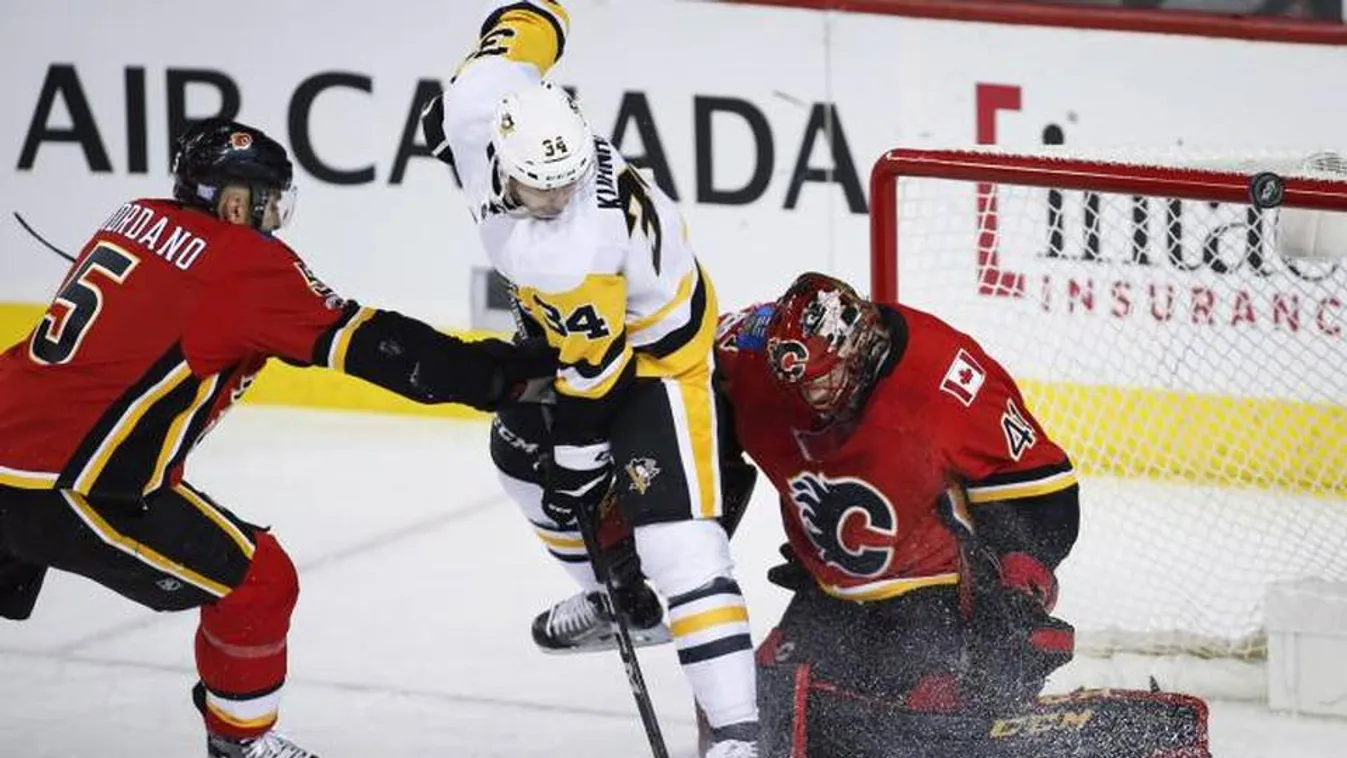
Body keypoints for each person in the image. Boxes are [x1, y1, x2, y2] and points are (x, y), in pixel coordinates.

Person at [0, 118, 552, 758]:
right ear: (235, 203)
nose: (273, 218)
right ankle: (241, 743)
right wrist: (506, 379)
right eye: (267, 201)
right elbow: (383, 350)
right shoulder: (243, 263)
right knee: (258, 583)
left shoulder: (134, 216)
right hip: (72, 483)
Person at [420, 2, 760, 755]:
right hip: (577, 334)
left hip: (660, 355)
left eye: (569, 180)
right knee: (516, 455)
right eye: (541, 188)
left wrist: (579, 463)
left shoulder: (570, 248)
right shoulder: (480, 96)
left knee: (681, 547)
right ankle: (615, 600)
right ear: (494, 151)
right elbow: (536, 19)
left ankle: (738, 736)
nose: (559, 198)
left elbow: (598, 376)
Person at [710, 272, 1210, 758]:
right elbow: (688, 378)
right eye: (800, 385)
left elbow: (1043, 489)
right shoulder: (743, 354)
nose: (812, 398)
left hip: (935, 593)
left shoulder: (944, 376)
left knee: (929, 727)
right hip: (829, 592)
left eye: (825, 381)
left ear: (858, 348)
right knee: (757, 713)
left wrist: (1018, 596)